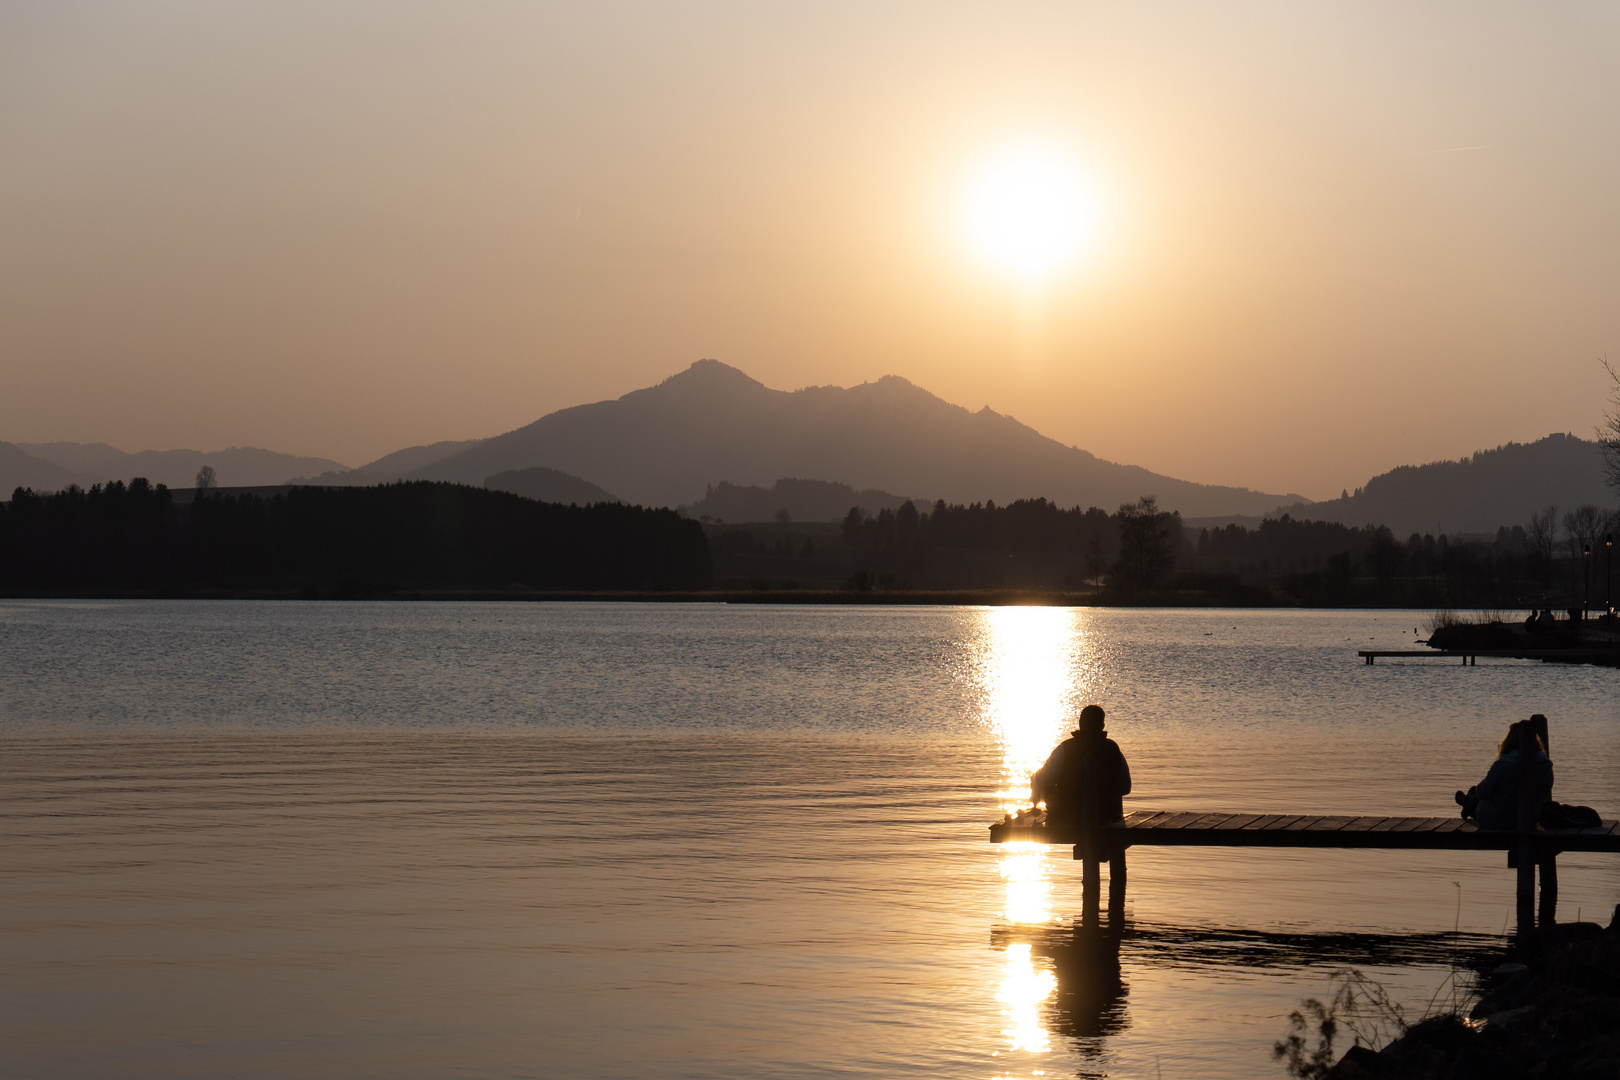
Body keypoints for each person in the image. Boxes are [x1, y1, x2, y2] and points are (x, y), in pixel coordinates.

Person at [1032, 704, 1132, 922]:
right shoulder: (1113, 750)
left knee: (1043, 783)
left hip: (1068, 819)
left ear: (1080, 724)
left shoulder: (1065, 749)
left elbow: (1042, 779)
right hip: (1107, 820)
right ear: (1102, 725)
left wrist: (1037, 786)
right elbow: (1125, 787)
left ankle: (1090, 910)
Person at [1455, 718, 1554, 830]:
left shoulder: (1503, 764)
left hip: (1500, 819)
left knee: (1479, 793)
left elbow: (1484, 793)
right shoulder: (1544, 764)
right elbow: (1545, 791)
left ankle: (1468, 801)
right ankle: (1469, 800)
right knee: (1481, 793)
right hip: (1532, 818)